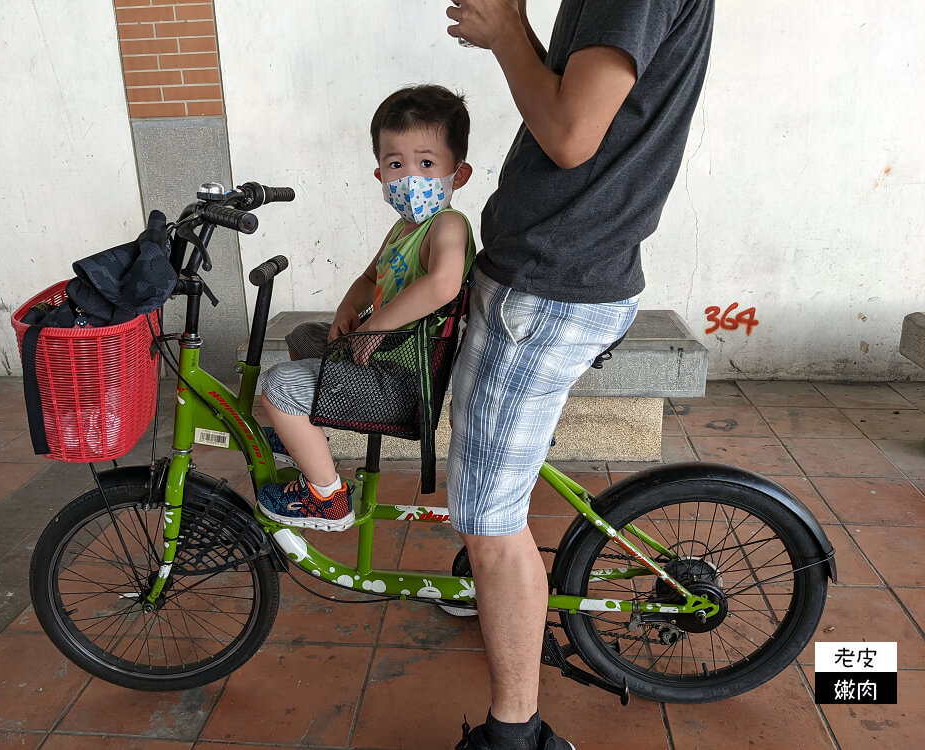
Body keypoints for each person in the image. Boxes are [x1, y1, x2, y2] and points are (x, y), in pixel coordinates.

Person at [444, 1, 714, 748]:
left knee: (490, 523)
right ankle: (495, 585)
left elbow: (568, 135)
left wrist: (504, 35)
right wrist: (519, 29)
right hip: (559, 275)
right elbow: (575, 106)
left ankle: (515, 733)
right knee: (494, 507)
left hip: (550, 285)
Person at [257, 84, 476, 531]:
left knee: (276, 385)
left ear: (460, 173)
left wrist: (374, 326)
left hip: (403, 380)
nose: (410, 177)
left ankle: (327, 496)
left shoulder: (447, 224)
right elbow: (370, 278)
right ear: (380, 175)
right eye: (396, 164)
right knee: (304, 335)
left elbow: (444, 284)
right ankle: (307, 434)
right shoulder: (403, 228)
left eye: (427, 163)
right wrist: (346, 312)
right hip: (378, 359)